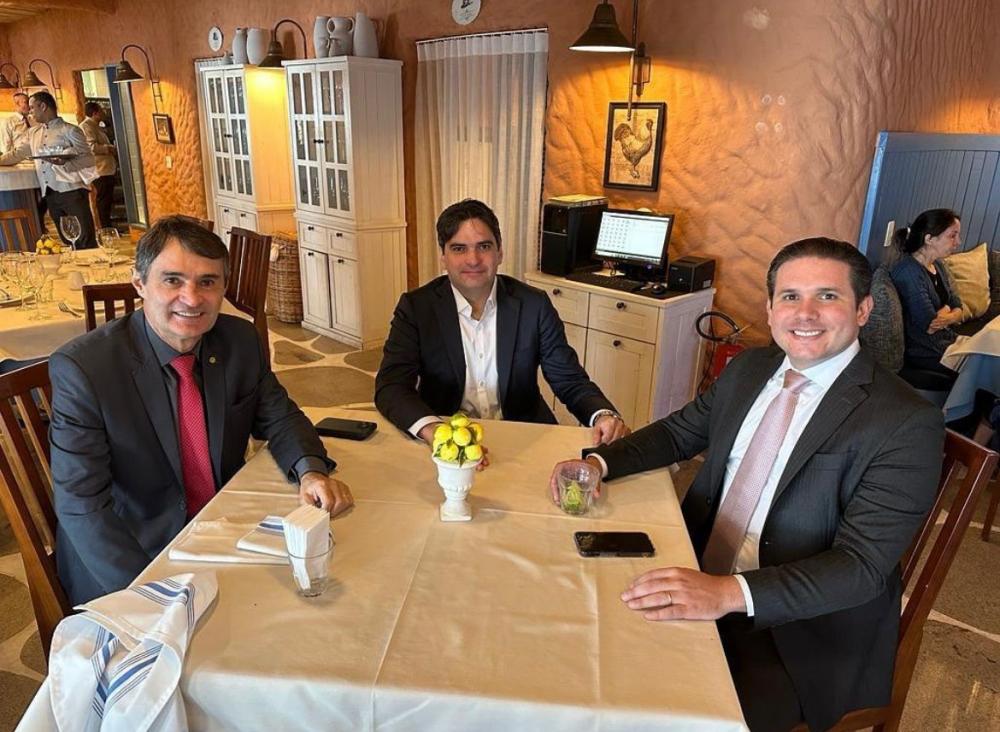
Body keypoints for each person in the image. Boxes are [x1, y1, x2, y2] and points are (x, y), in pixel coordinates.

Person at [549, 238, 943, 731]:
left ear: (863, 309)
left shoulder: (905, 421)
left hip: (798, 631)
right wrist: (598, 464)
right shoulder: (750, 369)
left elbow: (860, 568)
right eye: (790, 296)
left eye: (827, 296)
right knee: (572, 644)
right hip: (695, 565)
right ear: (771, 310)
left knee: (660, 715)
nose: (805, 313)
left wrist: (726, 593)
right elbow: (676, 434)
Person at [49, 216, 354, 604]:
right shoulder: (84, 369)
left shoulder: (239, 340)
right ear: (139, 282)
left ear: (224, 287)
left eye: (207, 282)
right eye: (172, 280)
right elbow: (82, 506)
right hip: (133, 552)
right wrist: (148, 593)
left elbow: (280, 416)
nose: (192, 299)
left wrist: (310, 471)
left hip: (220, 526)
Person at [375, 198, 629, 454]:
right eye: (459, 248)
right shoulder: (416, 308)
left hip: (524, 435)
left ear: (499, 252)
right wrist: (436, 432)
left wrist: (602, 415)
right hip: (447, 438)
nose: (473, 259)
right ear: (443, 256)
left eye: (484, 246)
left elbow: (569, 379)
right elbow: (392, 386)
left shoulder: (534, 304)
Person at [0, 91, 98, 249]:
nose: (30, 111)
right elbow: (17, 154)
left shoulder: (70, 130)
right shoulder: (33, 133)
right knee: (67, 240)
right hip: (50, 194)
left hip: (72, 192)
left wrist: (65, 164)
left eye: (32, 107)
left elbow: (89, 159)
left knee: (85, 239)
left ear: (43, 106)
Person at [890, 208, 963, 381]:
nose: (958, 242)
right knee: (986, 368)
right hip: (925, 350)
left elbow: (958, 304)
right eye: (952, 236)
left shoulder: (938, 265)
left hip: (946, 340)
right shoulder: (909, 272)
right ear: (929, 239)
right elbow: (929, 324)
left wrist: (948, 313)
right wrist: (952, 312)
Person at [79, 101, 118, 229]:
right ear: (95, 113)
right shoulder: (86, 126)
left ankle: (108, 225)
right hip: (100, 170)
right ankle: (105, 227)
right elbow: (91, 147)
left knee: (107, 200)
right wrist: (109, 148)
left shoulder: (97, 126)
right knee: (102, 201)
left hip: (107, 168)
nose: (103, 113)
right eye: (101, 110)